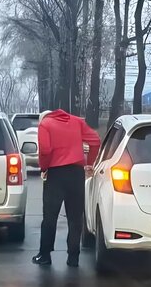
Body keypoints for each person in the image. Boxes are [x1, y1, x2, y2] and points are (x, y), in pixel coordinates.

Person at [32, 109, 100, 268]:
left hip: (56, 175)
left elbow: (45, 150)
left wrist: (44, 168)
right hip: (76, 174)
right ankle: (73, 258)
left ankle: (45, 255)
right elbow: (95, 141)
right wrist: (89, 163)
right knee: (75, 218)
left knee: (50, 217)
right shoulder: (77, 121)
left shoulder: (45, 124)